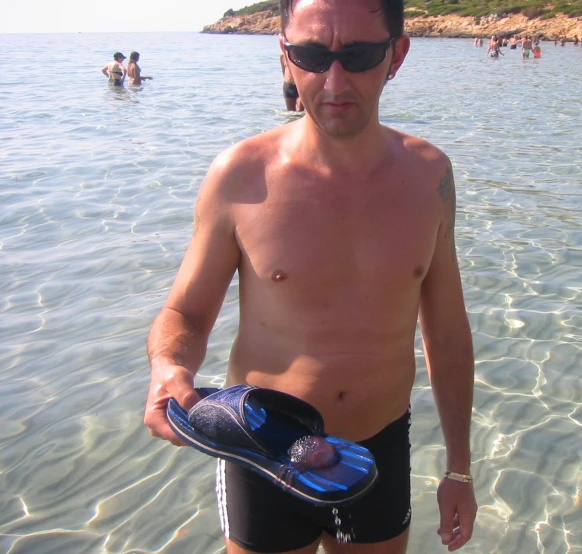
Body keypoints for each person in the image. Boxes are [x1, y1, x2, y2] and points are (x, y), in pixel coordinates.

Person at [143, 1, 477, 553]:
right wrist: (168, 368)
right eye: (312, 55)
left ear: (397, 54)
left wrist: (459, 470)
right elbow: (185, 313)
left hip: (379, 449)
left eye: (360, 55)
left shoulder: (429, 177)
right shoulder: (241, 176)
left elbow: (446, 333)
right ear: (285, 55)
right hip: (262, 452)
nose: (334, 79)